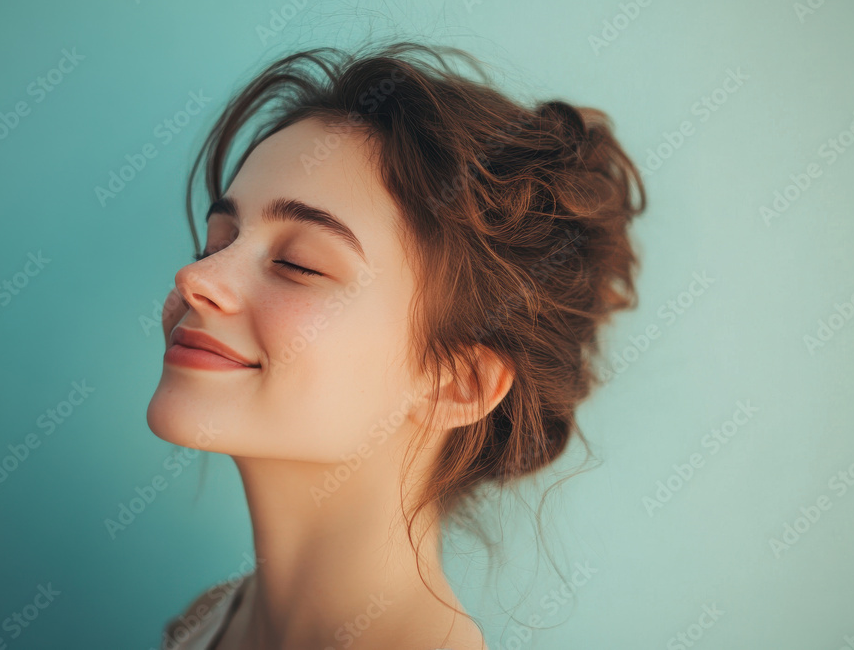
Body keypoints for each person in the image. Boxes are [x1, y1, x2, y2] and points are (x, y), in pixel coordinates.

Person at [146, 39, 646, 650]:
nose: (195, 279)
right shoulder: (207, 622)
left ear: (458, 383)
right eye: (216, 241)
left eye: (299, 264)